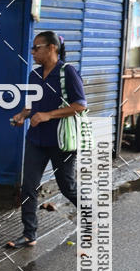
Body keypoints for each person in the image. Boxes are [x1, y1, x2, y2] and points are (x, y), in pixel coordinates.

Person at [6, 30, 87, 248]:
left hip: (61, 141)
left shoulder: (68, 73)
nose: (32, 52)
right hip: (36, 140)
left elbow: (80, 105)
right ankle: (29, 234)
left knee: (66, 186)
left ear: (52, 48)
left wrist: (47, 115)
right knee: (28, 187)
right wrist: (23, 115)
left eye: (36, 48)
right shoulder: (34, 75)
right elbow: (32, 104)